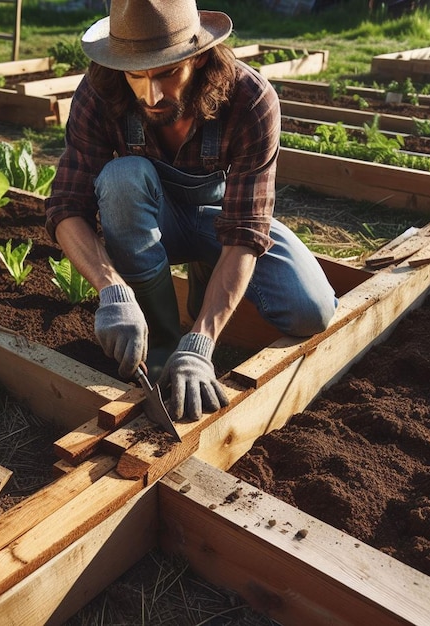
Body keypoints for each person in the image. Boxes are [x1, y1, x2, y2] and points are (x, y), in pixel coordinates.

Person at [45, 0, 337, 422]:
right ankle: (161, 345)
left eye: (167, 73)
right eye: (136, 76)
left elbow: (245, 230)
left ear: (198, 57)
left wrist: (202, 342)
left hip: (219, 220)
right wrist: (111, 289)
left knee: (312, 310)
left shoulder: (250, 99)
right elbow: (66, 205)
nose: (152, 94)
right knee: (122, 177)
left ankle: (198, 310)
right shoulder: (99, 92)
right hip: (145, 222)